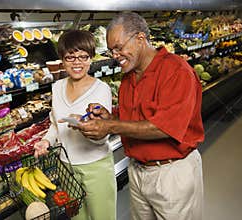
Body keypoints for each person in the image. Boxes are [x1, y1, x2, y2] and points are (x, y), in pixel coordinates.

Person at [76, 12, 205, 220]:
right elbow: (136, 118)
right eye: (111, 51)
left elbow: (163, 127)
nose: (115, 55)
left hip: (171, 174)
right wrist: (110, 117)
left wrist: (111, 127)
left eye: (119, 48)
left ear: (140, 38)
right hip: (137, 171)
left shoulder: (176, 71)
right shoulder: (129, 77)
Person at [33, 30, 117, 220]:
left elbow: (103, 136)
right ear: (62, 59)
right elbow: (55, 124)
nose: (77, 62)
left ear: (91, 58)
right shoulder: (57, 87)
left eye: (83, 57)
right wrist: (46, 141)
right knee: (77, 217)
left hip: (96, 167)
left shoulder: (101, 90)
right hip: (66, 168)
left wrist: (85, 127)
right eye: (70, 57)